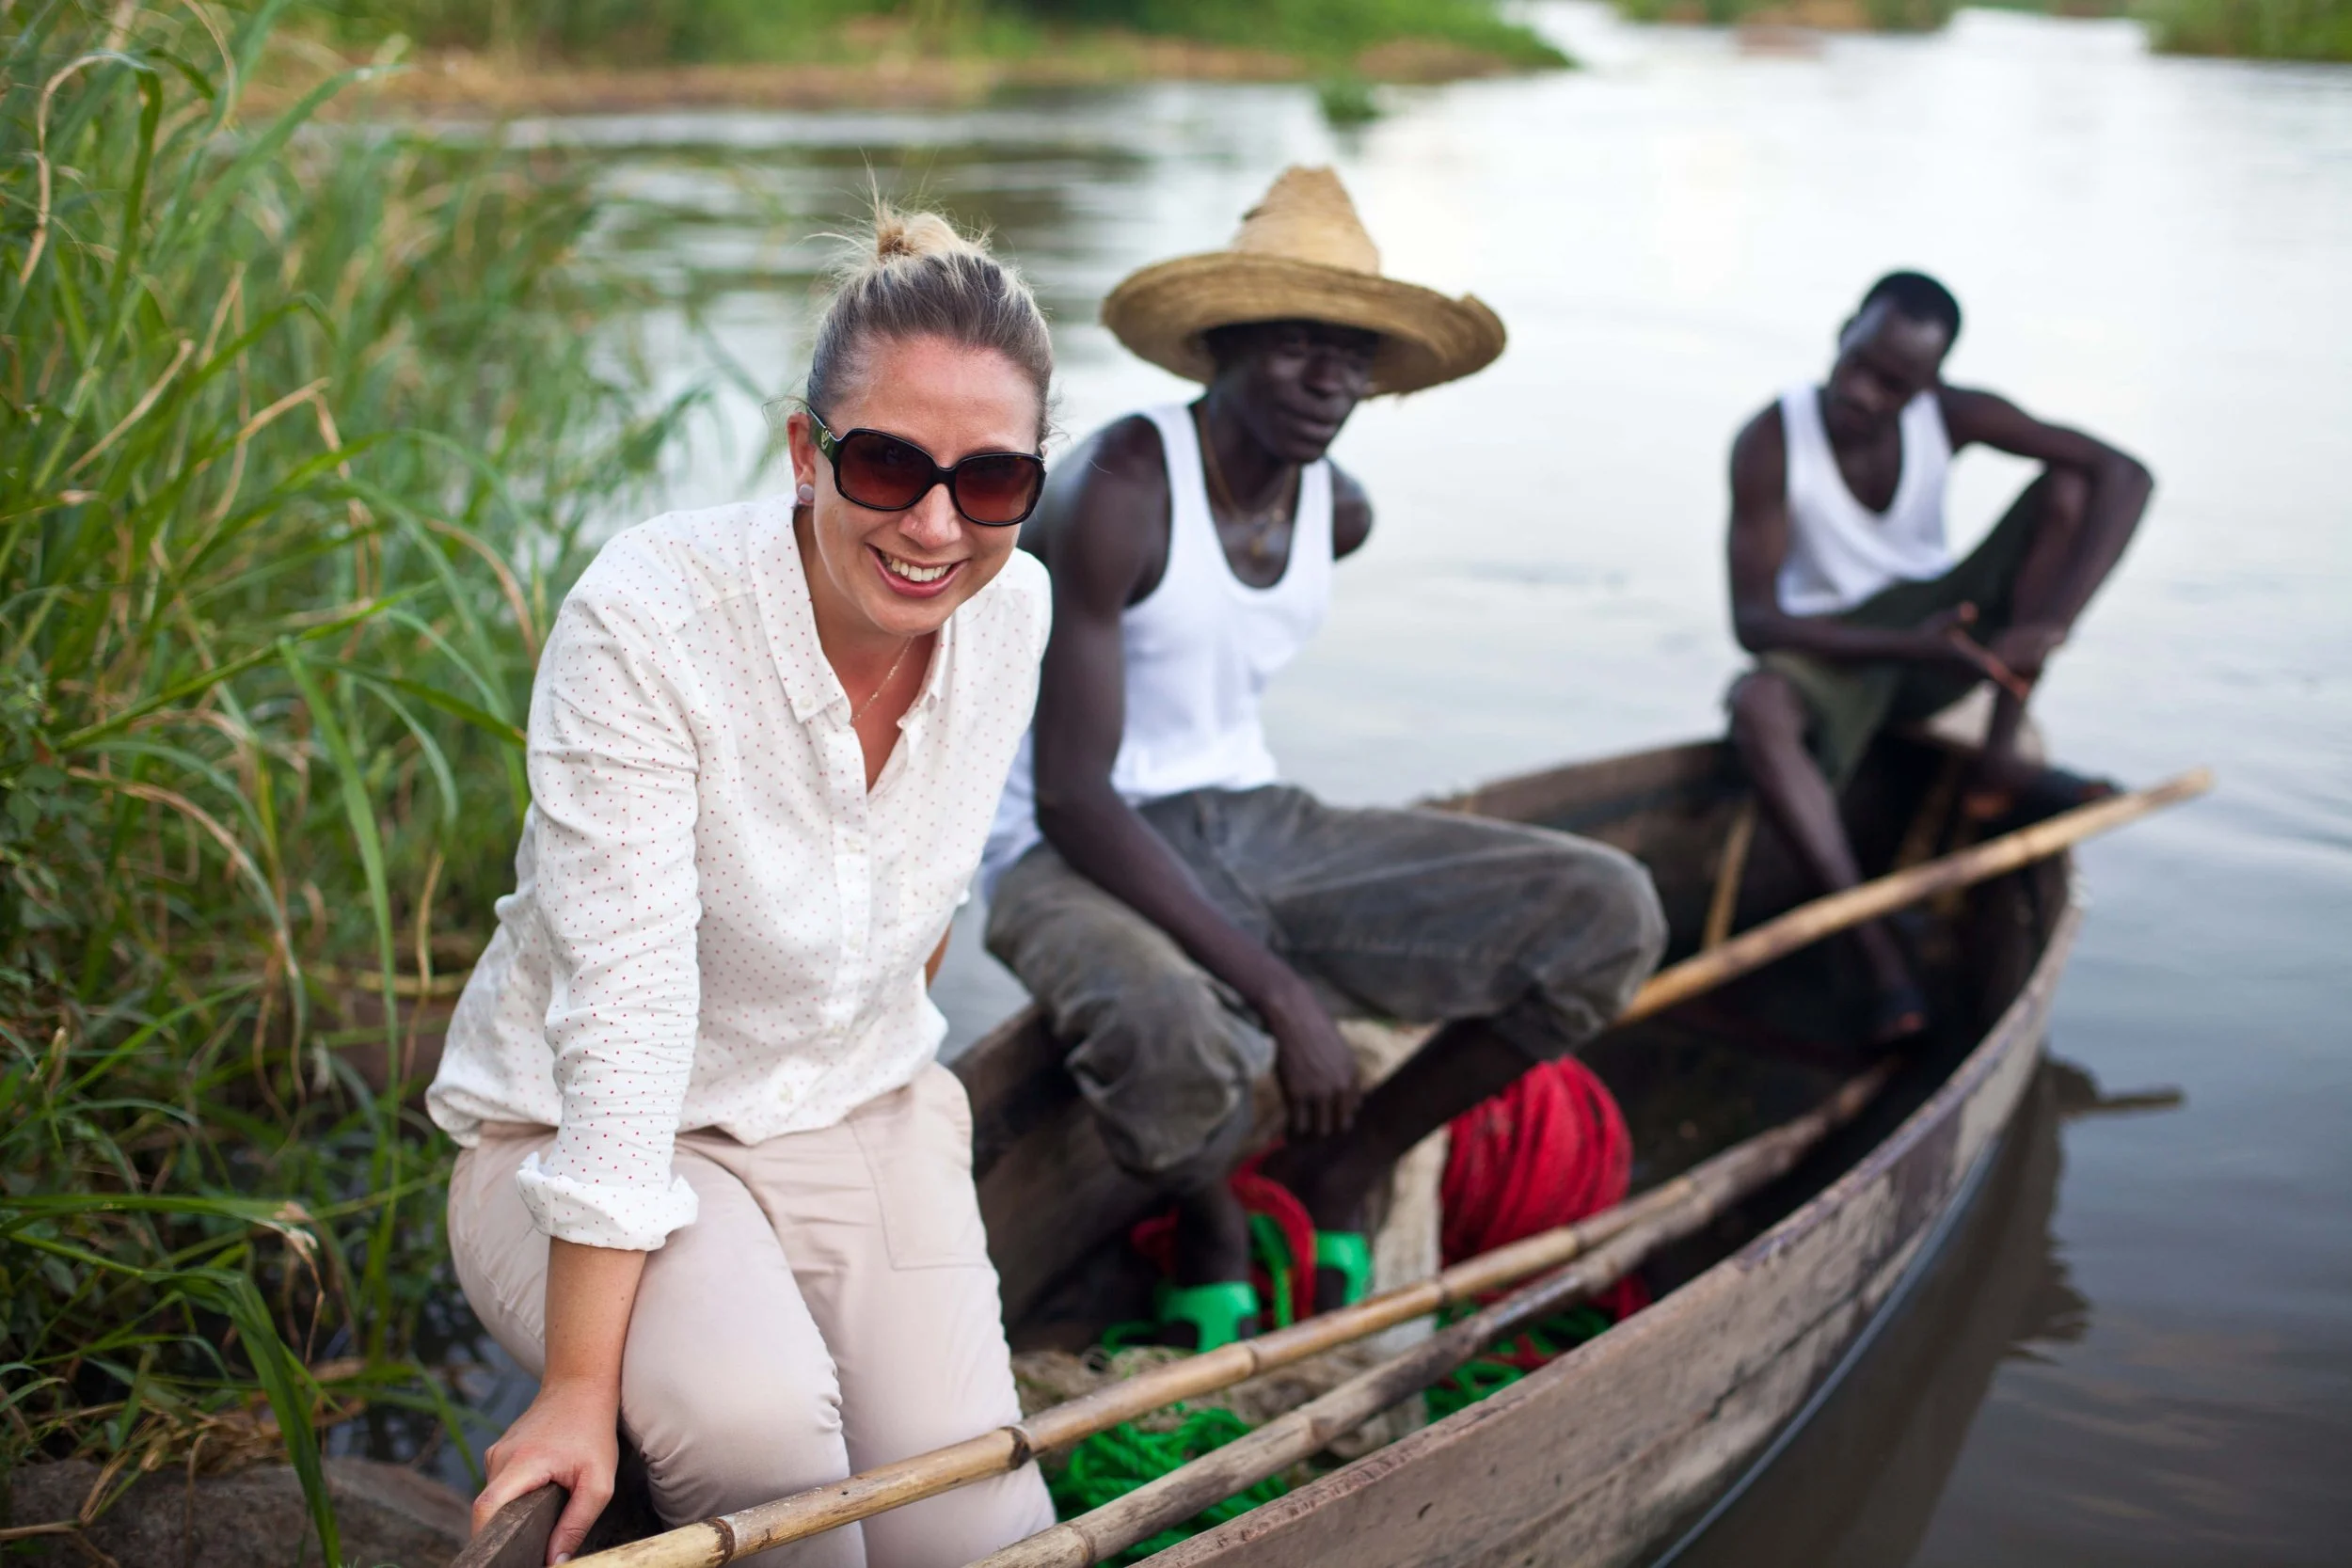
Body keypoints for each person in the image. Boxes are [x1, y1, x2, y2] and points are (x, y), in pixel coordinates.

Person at [427, 208, 1059, 1568]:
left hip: (853, 1104)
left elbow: (929, 901)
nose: (938, 525)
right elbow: (631, 1005)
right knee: (767, 1440)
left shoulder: (1016, 610)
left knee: (972, 1527)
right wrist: (581, 1390)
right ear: (803, 450)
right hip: (583, 1127)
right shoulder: (651, 619)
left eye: (995, 480)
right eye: (888, 463)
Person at [978, 166, 1666, 1351]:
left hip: (1254, 823)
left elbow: (1219, 704)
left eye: (1352, 353)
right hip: (1066, 844)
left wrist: (1270, 966)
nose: (1329, 378)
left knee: (1609, 911)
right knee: (1176, 1030)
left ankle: (1346, 1158)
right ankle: (1204, 1218)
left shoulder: (1336, 511)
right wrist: (1283, 991)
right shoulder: (1124, 486)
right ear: (1221, 347)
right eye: (1297, 344)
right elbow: (1078, 794)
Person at [1724, 270, 2153, 1042]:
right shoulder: (1771, 439)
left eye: (1893, 385)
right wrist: (1905, 644)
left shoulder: (1950, 415)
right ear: (1844, 329)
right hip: (1842, 652)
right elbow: (1755, 622)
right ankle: (1876, 955)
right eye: (1858, 365)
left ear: (1928, 384)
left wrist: (2051, 623)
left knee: (2070, 489)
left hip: (1937, 639)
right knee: (1756, 704)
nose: (1863, 394)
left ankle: (1998, 765)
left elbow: (2126, 473)